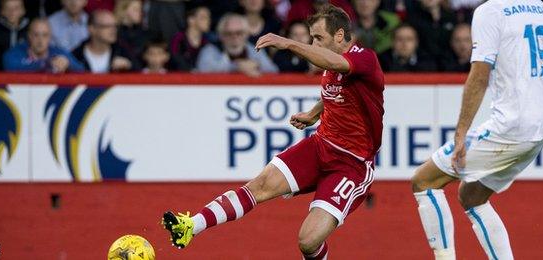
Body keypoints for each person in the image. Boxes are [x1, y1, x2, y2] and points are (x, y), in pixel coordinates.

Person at [162, 5, 385, 259]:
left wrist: (289, 43)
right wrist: (314, 113)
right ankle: (191, 226)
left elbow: (337, 64)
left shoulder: (365, 59)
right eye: (311, 38)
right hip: (320, 145)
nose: (314, 43)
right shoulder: (333, 65)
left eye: (318, 38)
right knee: (259, 185)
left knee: (308, 241)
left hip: (351, 164)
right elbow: (341, 90)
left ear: (339, 35)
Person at [410, 0, 543, 259]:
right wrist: (537, 105)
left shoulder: (490, 11)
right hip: (540, 130)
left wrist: (460, 135)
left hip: (510, 127)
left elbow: (479, 75)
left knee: (424, 181)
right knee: (472, 196)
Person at [196, 13, 278, 76]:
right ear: (221, 35)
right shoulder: (210, 49)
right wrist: (236, 67)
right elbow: (203, 70)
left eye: (239, 33)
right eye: (229, 33)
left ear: (246, 34)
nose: (234, 37)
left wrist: (257, 65)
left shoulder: (255, 50)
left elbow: (274, 71)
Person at [3, 18, 84, 72]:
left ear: (50, 37)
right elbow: (10, 66)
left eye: (45, 35)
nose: (40, 40)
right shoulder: (17, 52)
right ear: (29, 36)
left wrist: (68, 64)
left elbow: (82, 70)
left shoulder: (58, 52)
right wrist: (44, 64)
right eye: (36, 35)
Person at [0, 0, 29, 70]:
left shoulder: (29, 30)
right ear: (2, 11)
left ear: (23, 10)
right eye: (7, 8)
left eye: (16, 8)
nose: (12, 12)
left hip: (24, 72)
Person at [170, 6, 213, 71]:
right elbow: (175, 59)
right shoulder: (178, 39)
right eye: (204, 17)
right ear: (191, 20)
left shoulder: (207, 42)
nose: (208, 21)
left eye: (209, 17)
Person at [115, 0, 147, 70]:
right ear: (124, 10)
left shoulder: (144, 33)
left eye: (141, 10)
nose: (140, 13)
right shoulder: (114, 32)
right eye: (136, 10)